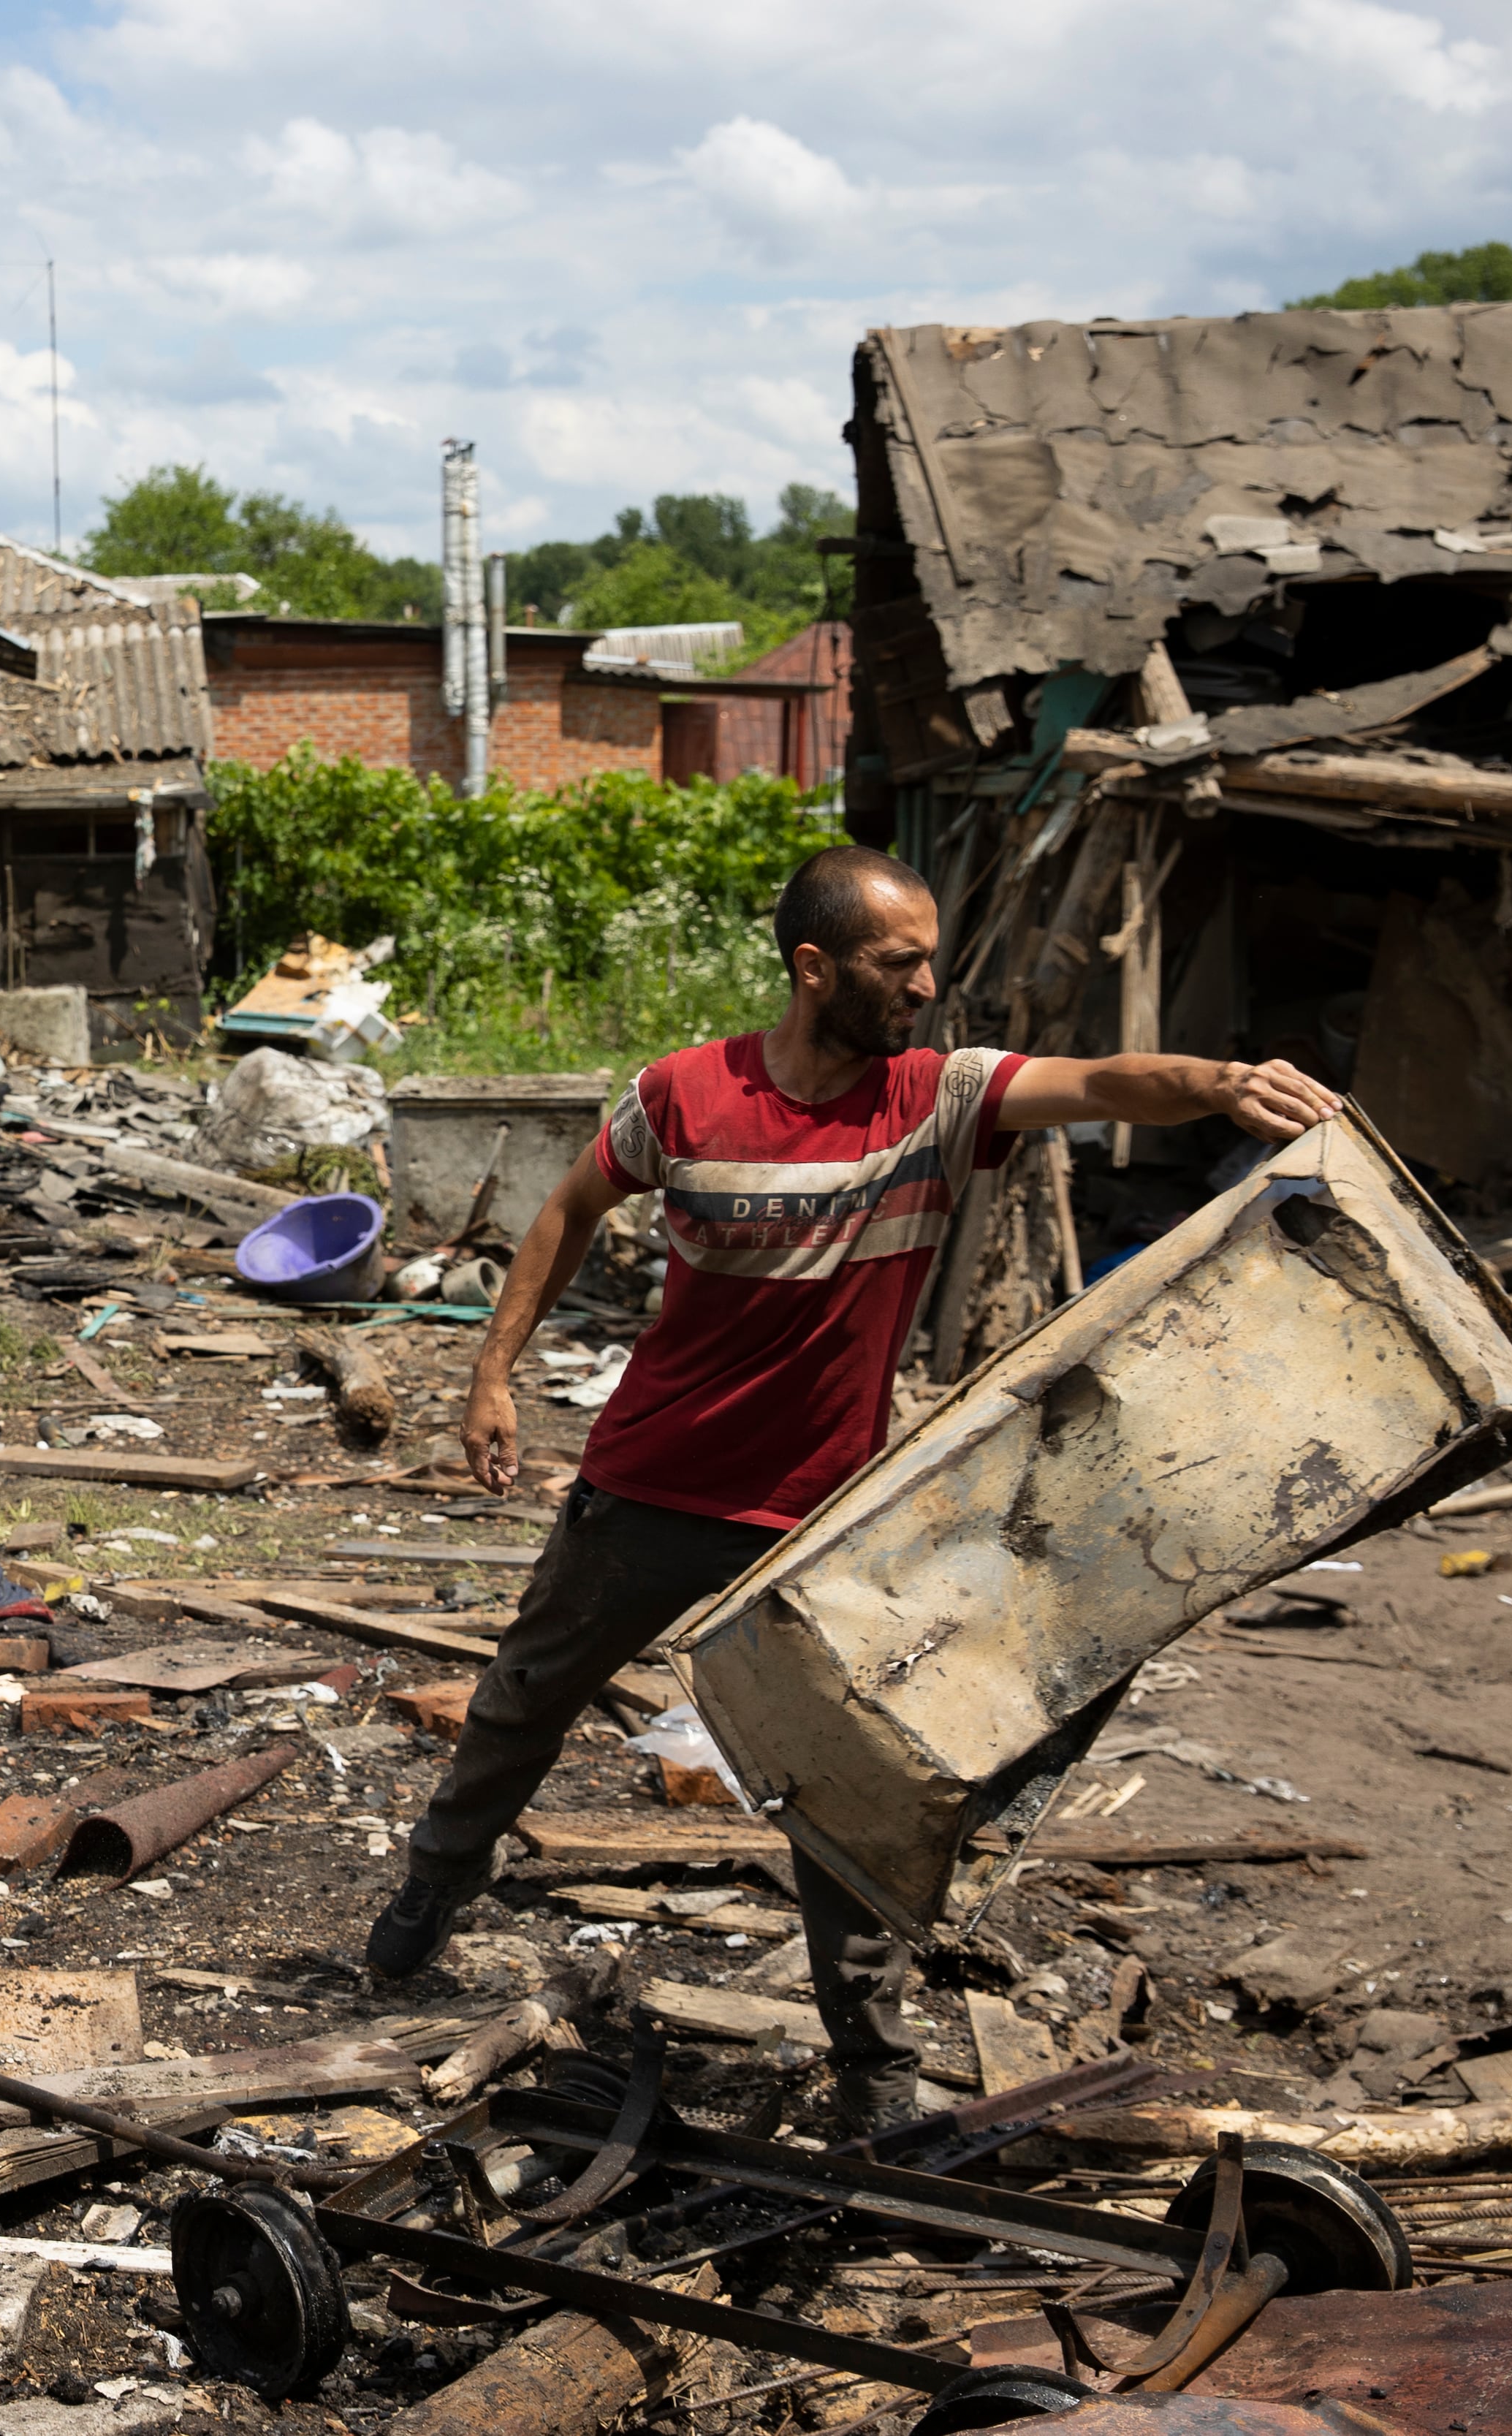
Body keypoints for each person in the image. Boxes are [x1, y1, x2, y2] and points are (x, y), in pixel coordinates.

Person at [358, 842, 1341, 2126]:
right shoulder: (684, 1096)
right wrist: (491, 1375)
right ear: (814, 968)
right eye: (901, 962)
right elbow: (567, 1210)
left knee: (843, 1790)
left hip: (822, 1524)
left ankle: (873, 2071)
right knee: (520, 1708)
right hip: (650, 1488)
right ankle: (436, 1879)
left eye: (932, 955)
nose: (929, 983)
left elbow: (1103, 1080)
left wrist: (1220, 1082)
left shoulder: (937, 1100)